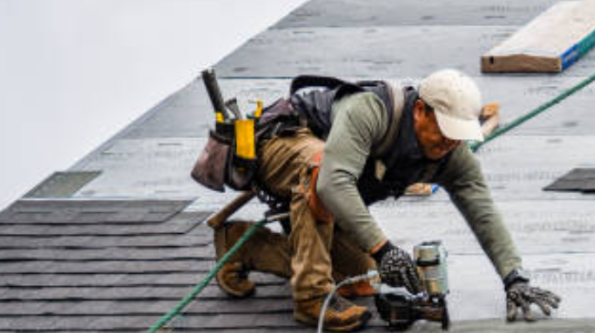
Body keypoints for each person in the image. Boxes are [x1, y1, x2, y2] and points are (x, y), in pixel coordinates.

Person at [213, 69, 560, 331]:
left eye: (457, 137)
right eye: (444, 132)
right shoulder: (370, 111)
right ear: (421, 111)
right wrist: (384, 248)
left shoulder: (450, 152)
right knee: (321, 168)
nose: (448, 144)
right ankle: (311, 299)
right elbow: (334, 182)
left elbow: (481, 207)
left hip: (321, 200)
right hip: (280, 145)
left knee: (360, 278)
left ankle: (243, 247)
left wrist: (514, 277)